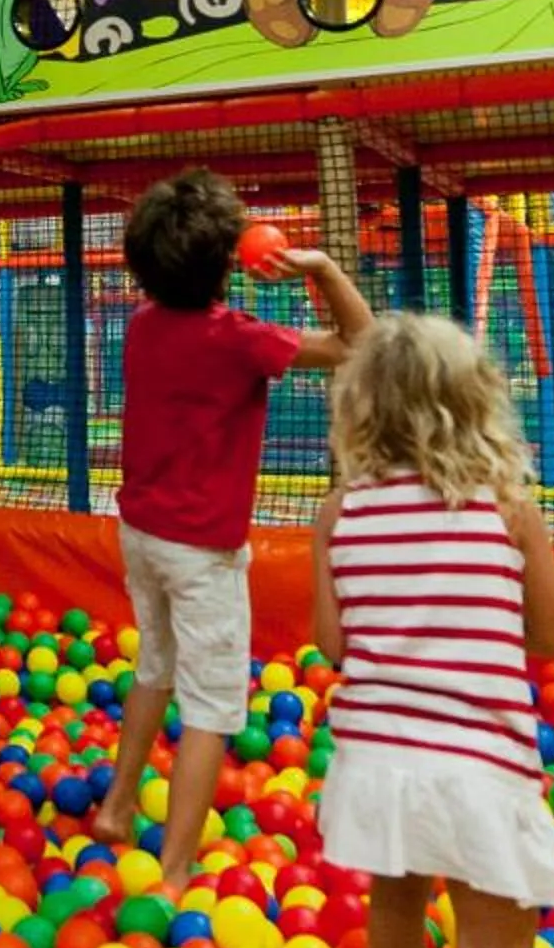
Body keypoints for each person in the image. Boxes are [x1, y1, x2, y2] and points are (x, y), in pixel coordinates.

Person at [310, 312, 554, 948]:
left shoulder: (340, 513)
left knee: (397, 895)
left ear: (360, 414)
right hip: (480, 768)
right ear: (474, 404)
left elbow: (334, 645)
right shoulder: (505, 504)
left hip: (381, 764)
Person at [93, 169, 371, 893]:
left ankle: (118, 808)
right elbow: (363, 344)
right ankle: (176, 869)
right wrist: (323, 269)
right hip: (201, 554)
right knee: (213, 705)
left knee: (156, 665)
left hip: (142, 535)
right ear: (226, 262)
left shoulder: (142, 326)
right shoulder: (240, 339)